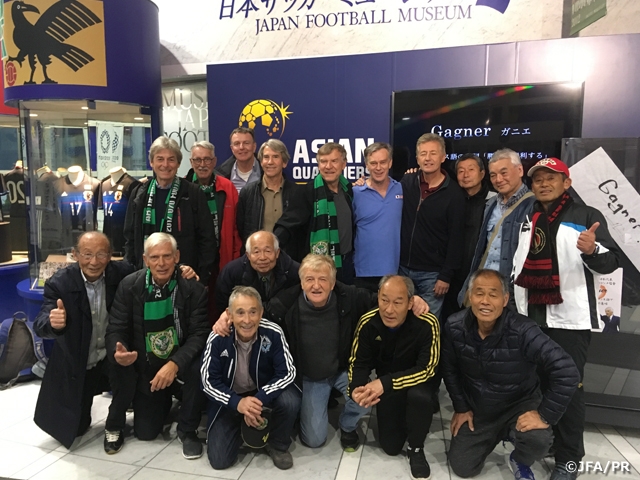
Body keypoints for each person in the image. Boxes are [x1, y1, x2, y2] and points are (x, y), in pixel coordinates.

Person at [512, 158, 621, 480]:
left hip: (568, 321)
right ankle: (550, 442)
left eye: (551, 178)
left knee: (569, 390)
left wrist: (591, 250)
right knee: (540, 387)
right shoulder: (528, 213)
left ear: (567, 183)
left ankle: (569, 459)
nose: (543, 183)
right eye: (538, 179)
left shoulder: (585, 216)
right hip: (530, 316)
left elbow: (610, 263)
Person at [265, 254, 430, 451]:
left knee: (366, 396)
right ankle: (310, 407)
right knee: (314, 440)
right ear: (301, 283)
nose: (316, 286)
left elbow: (384, 300)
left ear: (333, 283)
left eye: (323, 279)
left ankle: (347, 425)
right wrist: (228, 316)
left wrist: (416, 299)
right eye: (309, 279)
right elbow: (255, 314)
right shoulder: (285, 304)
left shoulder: (349, 297)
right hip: (311, 377)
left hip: (342, 370)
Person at [442, 269, 580, 480]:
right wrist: (461, 407)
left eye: (493, 294)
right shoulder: (454, 326)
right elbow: (449, 369)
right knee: (462, 467)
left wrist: (544, 415)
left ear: (505, 299)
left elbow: (567, 371)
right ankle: (493, 436)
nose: (485, 301)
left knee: (538, 440)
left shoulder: (523, 330)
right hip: (480, 410)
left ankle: (520, 458)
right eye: (479, 293)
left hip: (519, 405)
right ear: (469, 297)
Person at [106, 232, 210, 459]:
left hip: (181, 363)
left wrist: (174, 364)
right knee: (146, 432)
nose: (161, 263)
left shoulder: (193, 289)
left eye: (167, 256)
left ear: (177, 256)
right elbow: (116, 328)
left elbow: (199, 335)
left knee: (199, 368)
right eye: (154, 257)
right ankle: (164, 400)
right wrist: (119, 349)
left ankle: (187, 430)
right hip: (147, 365)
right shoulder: (129, 285)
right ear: (145, 260)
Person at [33, 232, 136, 451]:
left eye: (101, 254)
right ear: (75, 255)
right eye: (87, 254)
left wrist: (182, 270)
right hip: (80, 359)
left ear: (110, 256)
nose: (94, 262)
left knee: (127, 371)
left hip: (111, 354)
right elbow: (41, 323)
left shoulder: (123, 274)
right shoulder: (59, 283)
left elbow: (154, 274)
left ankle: (114, 426)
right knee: (77, 426)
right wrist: (53, 323)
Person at [348, 275, 440, 479]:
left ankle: (416, 448)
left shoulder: (427, 323)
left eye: (398, 302)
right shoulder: (368, 322)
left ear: (410, 303)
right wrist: (356, 388)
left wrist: (384, 383)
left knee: (420, 398)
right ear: (378, 297)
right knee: (390, 446)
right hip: (388, 387)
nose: (389, 309)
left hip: (418, 383)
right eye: (384, 300)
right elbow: (359, 362)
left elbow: (427, 369)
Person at [201, 286, 300, 470]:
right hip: (231, 398)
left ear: (261, 312)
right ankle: (242, 425)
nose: (247, 320)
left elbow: (287, 372)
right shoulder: (217, 337)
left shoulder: (273, 332)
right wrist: (238, 403)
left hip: (263, 395)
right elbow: (208, 382)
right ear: (229, 315)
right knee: (219, 461)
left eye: (253, 312)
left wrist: (257, 400)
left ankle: (278, 444)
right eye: (240, 313)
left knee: (291, 400)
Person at [124, 136, 216, 284]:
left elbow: (207, 239)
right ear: (151, 162)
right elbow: (130, 237)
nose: (165, 165)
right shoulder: (139, 193)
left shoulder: (193, 193)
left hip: (184, 276)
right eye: (160, 159)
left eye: (171, 159)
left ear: (178, 163)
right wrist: (131, 271)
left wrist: (201, 277)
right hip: (144, 277)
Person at [399, 133, 466, 319]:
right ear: (417, 158)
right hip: (402, 268)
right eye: (423, 153)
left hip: (433, 275)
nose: (428, 158)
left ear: (443, 157)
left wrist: (446, 275)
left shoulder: (454, 195)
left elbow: (456, 238)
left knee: (426, 326)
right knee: (400, 322)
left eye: (433, 153)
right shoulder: (406, 183)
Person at [459, 148, 535, 307]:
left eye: (504, 173)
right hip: (483, 285)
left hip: (511, 291)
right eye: (493, 175)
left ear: (520, 170)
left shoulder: (534, 206)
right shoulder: (491, 204)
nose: (498, 179)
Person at [274, 142, 355, 283]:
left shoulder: (349, 190)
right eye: (323, 161)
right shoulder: (306, 192)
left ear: (343, 164)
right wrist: (271, 246)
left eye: (334, 161)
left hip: (346, 264)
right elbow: (287, 224)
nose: (328, 166)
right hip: (317, 269)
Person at [442, 153, 495, 319]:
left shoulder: (494, 201)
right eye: (461, 171)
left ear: (482, 173)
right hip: (453, 275)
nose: (465, 175)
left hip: (481, 273)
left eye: (471, 170)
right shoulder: (450, 199)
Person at [352, 142, 403, 292]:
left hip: (394, 272)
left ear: (390, 163)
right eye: (373, 163)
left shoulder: (401, 189)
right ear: (367, 165)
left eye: (383, 162)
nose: (378, 167)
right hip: (362, 273)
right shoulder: (356, 192)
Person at [214, 230, 300, 319]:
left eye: (267, 251)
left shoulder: (295, 272)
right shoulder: (231, 272)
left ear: (277, 253)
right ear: (248, 255)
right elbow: (222, 305)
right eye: (256, 252)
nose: (262, 257)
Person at [185, 140, 241, 271]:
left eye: (207, 159)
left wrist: (236, 257)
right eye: (197, 160)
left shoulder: (228, 187)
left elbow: (236, 228)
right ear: (191, 162)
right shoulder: (183, 189)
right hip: (193, 263)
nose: (202, 165)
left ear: (215, 161)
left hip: (223, 260)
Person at [236, 139, 298, 245]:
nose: (270, 162)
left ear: (284, 163)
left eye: (275, 157)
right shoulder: (247, 192)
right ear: (261, 162)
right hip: (257, 257)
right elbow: (241, 229)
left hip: (288, 257)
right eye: (266, 157)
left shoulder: (297, 193)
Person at [215, 127, 262, 192]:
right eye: (237, 143)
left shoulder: (267, 170)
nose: (241, 147)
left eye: (246, 143)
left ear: (254, 147)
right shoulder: (220, 175)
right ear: (232, 149)